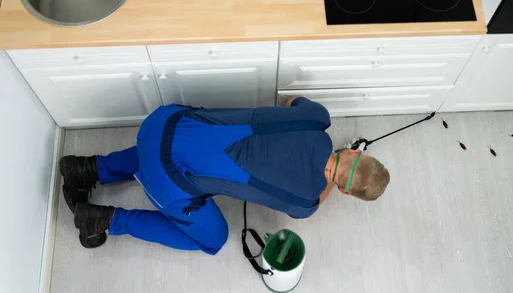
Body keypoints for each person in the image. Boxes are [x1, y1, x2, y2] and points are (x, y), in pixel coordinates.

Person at [60, 97, 390, 253]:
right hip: (165, 177)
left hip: (166, 120)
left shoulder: (318, 118)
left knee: (180, 146)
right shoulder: (306, 202)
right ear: (347, 193)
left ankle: (89, 168)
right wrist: (333, 183)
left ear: (355, 152)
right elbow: (316, 199)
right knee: (213, 239)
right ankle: (104, 220)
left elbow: (290, 101)